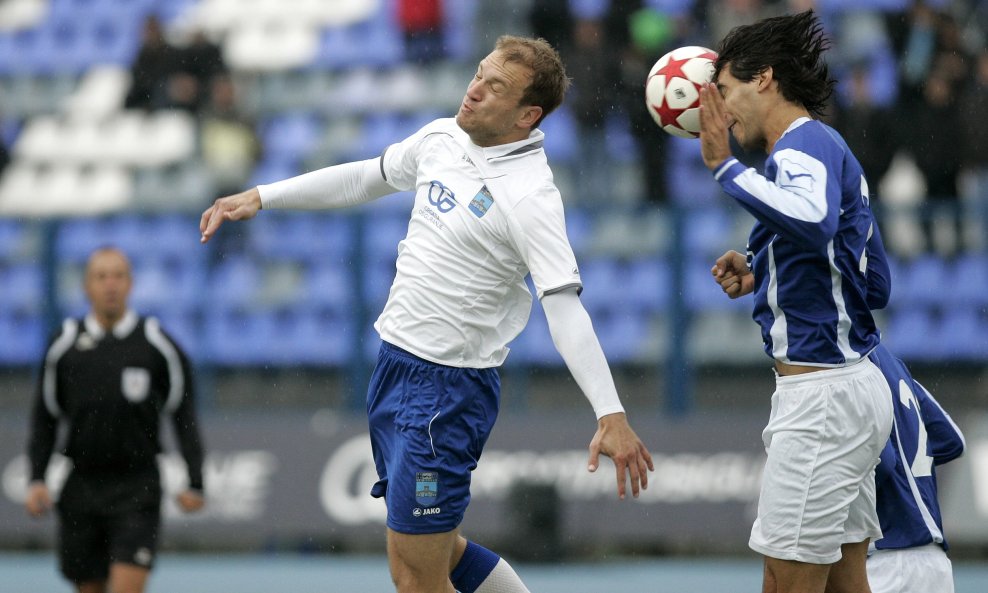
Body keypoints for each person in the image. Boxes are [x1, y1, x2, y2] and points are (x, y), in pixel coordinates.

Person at [200, 35, 653, 593]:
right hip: (394, 368)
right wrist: (263, 196)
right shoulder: (443, 138)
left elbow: (563, 304)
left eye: (496, 87)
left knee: (415, 575)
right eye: (479, 73)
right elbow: (366, 176)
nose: (474, 90)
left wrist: (610, 412)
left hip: (446, 393)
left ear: (527, 115)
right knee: (432, 551)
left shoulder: (530, 195)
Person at [699, 11, 894, 593]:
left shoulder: (800, 144)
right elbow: (874, 282)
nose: (721, 110)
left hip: (822, 398)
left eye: (725, 89)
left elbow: (811, 220)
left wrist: (725, 167)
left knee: (784, 580)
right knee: (843, 583)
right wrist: (766, 265)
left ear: (763, 78)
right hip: (851, 389)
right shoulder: (826, 146)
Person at [25, 247, 205, 593]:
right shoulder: (64, 344)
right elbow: (45, 416)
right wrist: (36, 477)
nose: (110, 284)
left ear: (131, 284)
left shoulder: (156, 343)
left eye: (118, 276)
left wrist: (195, 479)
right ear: (86, 286)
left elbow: (183, 414)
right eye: (101, 276)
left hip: (137, 488)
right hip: (81, 487)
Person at [866, 343, 965, 593]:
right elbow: (952, 440)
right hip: (935, 566)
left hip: (884, 563)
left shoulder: (846, 364)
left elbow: (884, 462)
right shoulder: (894, 364)